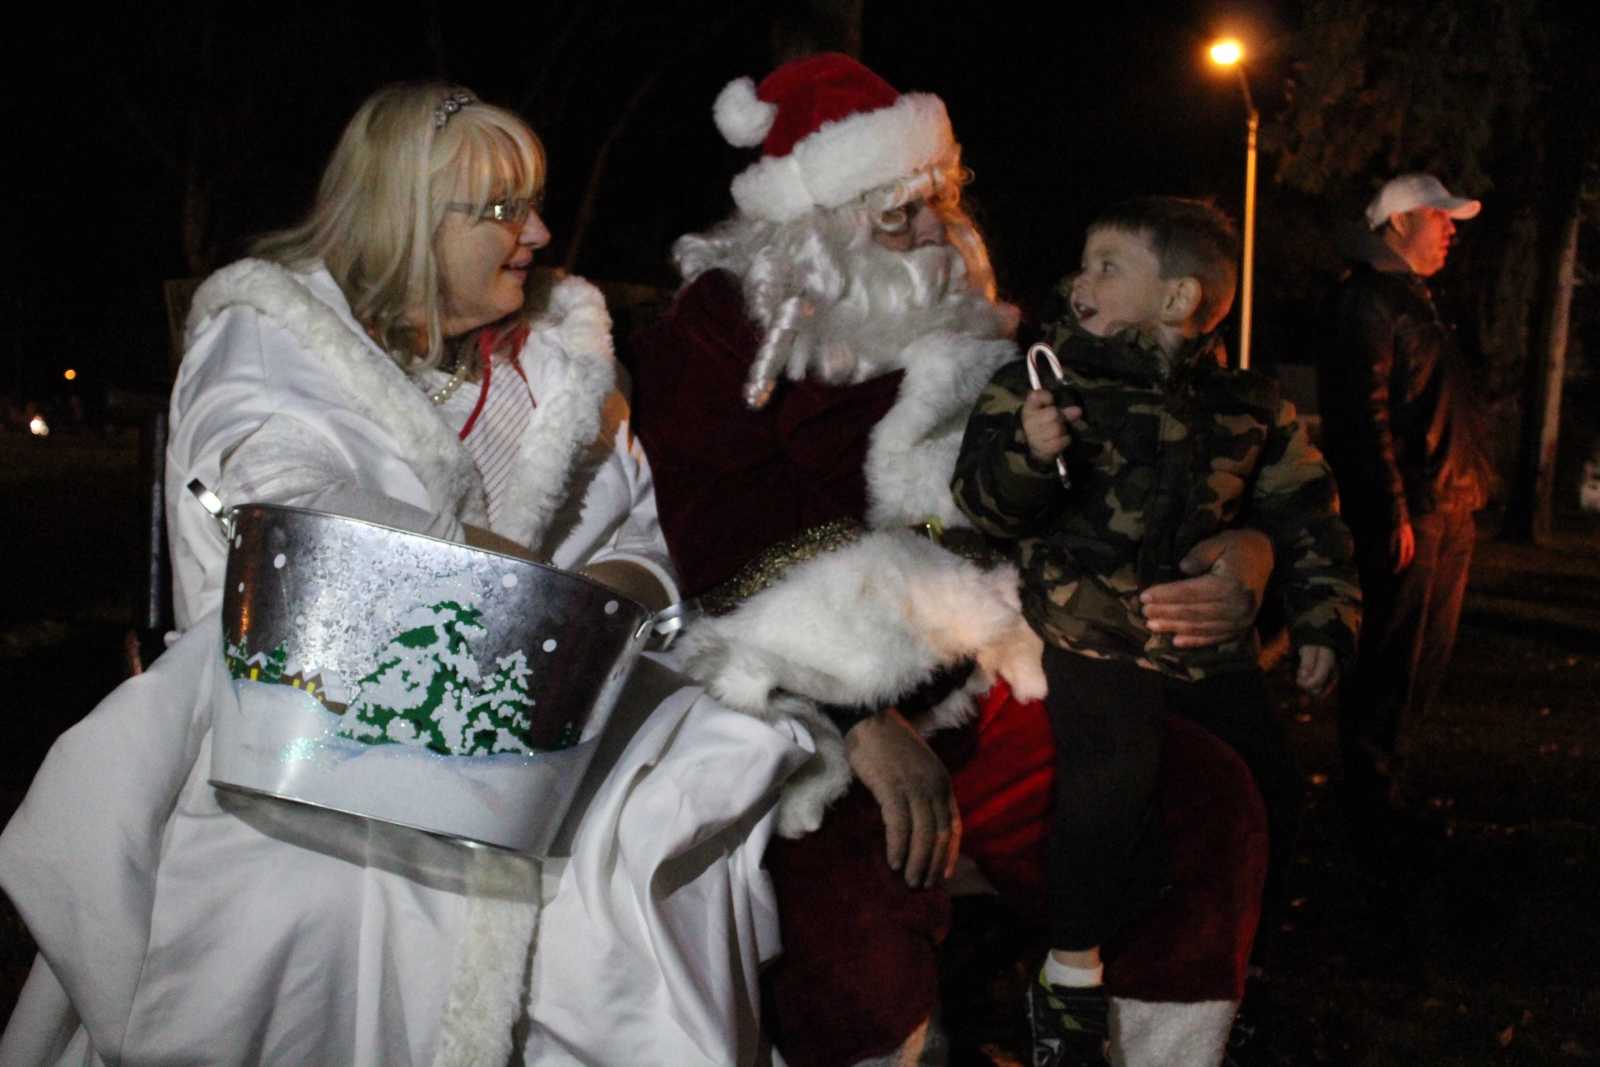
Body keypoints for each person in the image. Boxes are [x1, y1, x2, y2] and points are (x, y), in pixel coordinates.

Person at [0, 82, 807, 1066]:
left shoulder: (566, 363)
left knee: (659, 833)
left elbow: (639, 537)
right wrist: (516, 589)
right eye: (503, 209)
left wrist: (605, 604)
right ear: (410, 218)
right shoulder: (277, 338)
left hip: (558, 713)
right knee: (323, 892)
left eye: (535, 204)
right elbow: (290, 514)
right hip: (317, 716)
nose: (540, 234)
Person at [630, 54, 1282, 1067]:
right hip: (797, 704)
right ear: (814, 231)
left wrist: (1245, 546)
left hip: (992, 674)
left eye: (939, 202)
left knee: (1203, 803)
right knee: (857, 907)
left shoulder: (991, 333)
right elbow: (718, 539)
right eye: (899, 215)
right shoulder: (723, 332)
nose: (936, 234)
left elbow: (1142, 460)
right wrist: (860, 718)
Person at [953, 196, 1362, 1064]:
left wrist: (1324, 617)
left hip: (1205, 651)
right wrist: (1030, 452)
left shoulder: (1249, 404)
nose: (1081, 279)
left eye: (1109, 265)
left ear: (1179, 299)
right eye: (1085, 261)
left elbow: (1305, 511)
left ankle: (1228, 978)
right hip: (1090, 631)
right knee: (1113, 775)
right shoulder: (1046, 384)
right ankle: (1070, 977)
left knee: (1267, 792)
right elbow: (986, 504)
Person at [1317, 173, 1489, 833]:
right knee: (1391, 659)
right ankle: (1371, 801)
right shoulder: (1367, 301)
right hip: (1414, 508)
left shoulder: (1413, 299)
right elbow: (1363, 415)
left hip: (1446, 502)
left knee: (1422, 661)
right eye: (1438, 216)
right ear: (1398, 222)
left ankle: (1392, 788)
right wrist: (1389, 511)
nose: (1450, 230)